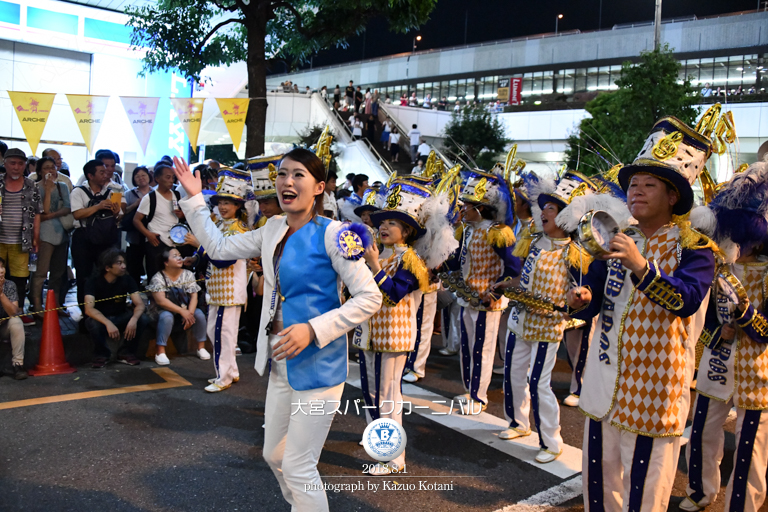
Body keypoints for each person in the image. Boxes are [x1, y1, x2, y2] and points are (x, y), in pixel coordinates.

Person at [173, 147, 382, 512]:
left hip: (319, 366)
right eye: (283, 173)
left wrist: (313, 330)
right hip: (281, 363)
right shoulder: (271, 228)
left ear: (318, 187)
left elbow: (369, 297)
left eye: (298, 174)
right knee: (274, 454)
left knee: (300, 466)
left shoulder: (335, 234)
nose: (287, 181)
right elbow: (219, 246)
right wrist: (194, 198)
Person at [567, 115, 717, 511]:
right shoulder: (619, 236)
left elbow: (686, 299)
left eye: (650, 184)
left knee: (646, 492)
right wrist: (581, 298)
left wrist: (641, 266)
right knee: (598, 484)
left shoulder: (696, 248)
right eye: (633, 183)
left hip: (656, 388)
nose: (637, 191)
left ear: (673, 197)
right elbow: (596, 294)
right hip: (604, 379)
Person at [495, 171, 603, 464]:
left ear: (566, 217)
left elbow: (582, 291)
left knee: (538, 382)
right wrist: (509, 285)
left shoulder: (575, 253)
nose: (543, 212)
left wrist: (580, 297)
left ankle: (551, 441)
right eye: (543, 207)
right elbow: (524, 279)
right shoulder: (532, 241)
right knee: (514, 375)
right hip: (520, 320)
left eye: (551, 209)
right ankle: (518, 423)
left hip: (547, 327)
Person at [681, 161, 768, 512]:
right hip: (718, 355)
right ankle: (700, 491)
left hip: (759, 367)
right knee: (701, 428)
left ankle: (742, 506)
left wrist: (745, 315)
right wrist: (721, 328)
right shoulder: (720, 264)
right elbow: (706, 311)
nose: (733, 242)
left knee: (750, 444)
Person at [357, 176, 456, 474]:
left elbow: (395, 292)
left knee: (388, 393)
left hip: (395, 337)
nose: (384, 227)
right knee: (369, 390)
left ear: (408, 231)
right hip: (369, 332)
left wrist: (373, 265)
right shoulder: (378, 253)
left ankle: (394, 458)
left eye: (393, 223)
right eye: (382, 221)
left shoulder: (410, 260)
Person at [444, 165, 520, 413]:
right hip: (467, 298)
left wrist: (496, 292)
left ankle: (479, 397)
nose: (462, 209)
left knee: (482, 350)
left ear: (481, 208)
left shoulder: (498, 233)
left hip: (488, 302)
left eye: (467, 205)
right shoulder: (467, 231)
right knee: (467, 348)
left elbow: (513, 268)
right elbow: (456, 261)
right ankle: (470, 390)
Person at [186, 169, 250, 392]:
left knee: (222, 334)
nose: (223, 207)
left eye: (228, 203)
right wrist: (196, 256)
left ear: (238, 206)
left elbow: (224, 260)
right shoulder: (221, 226)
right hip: (219, 290)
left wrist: (200, 248)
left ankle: (223, 377)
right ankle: (230, 371)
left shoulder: (238, 230)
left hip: (229, 292)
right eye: (220, 202)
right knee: (220, 332)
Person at [71, 159, 123, 310]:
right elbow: (77, 214)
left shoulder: (112, 192)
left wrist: (115, 212)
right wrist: (99, 206)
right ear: (90, 175)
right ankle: (86, 311)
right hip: (84, 238)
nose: (106, 174)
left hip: (106, 238)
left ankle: (105, 308)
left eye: (106, 171)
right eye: (101, 172)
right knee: (84, 276)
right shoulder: (78, 191)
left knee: (106, 274)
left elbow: (119, 216)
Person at [84, 248, 149, 368]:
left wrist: (133, 320)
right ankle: (101, 355)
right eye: (119, 263)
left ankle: (125, 353)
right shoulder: (92, 281)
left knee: (143, 319)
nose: (123, 266)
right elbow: (89, 309)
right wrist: (108, 323)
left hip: (120, 315)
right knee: (93, 323)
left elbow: (139, 304)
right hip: (101, 318)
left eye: (124, 262)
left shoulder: (127, 279)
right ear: (107, 268)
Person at [147, 247, 209, 365]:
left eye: (179, 255)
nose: (179, 258)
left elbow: (194, 296)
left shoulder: (188, 274)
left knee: (199, 314)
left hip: (185, 309)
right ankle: (160, 351)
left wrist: (189, 313)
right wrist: (182, 311)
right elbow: (161, 301)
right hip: (163, 311)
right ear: (166, 262)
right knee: (166, 316)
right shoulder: (158, 277)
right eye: (174, 256)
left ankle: (201, 347)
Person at [0, 148, 42, 321]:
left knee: (20, 278)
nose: (16, 167)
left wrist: (35, 238)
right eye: (12, 163)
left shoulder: (32, 186)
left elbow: (37, 213)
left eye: (20, 163)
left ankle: (17, 314)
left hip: (22, 241)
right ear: (5, 164)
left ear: (25, 165)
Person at [30, 157, 71, 320]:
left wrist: (49, 216)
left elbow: (67, 208)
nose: (51, 171)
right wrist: (47, 190)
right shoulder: (34, 187)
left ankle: (53, 305)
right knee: (40, 272)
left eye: (53, 168)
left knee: (58, 273)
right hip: (43, 234)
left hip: (61, 232)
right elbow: (42, 209)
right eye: (47, 168)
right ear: (39, 171)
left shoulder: (63, 187)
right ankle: (37, 304)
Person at [134, 162, 188, 281]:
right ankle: (155, 299)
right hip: (157, 241)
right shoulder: (150, 197)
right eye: (168, 177)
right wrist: (148, 234)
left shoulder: (177, 195)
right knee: (156, 277)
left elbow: (184, 216)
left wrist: (182, 214)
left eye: (173, 177)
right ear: (157, 178)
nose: (171, 181)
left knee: (174, 277)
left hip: (175, 241)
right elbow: (136, 220)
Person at [123, 166, 153, 287]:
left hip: (152, 233)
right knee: (134, 264)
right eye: (137, 176)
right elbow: (123, 212)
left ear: (149, 176)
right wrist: (136, 204)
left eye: (143, 175)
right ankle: (134, 290)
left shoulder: (155, 192)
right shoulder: (129, 194)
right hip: (134, 234)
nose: (141, 178)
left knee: (152, 263)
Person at [0, 256, 28, 379]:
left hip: (4, 326)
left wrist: (1, 294)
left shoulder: (9, 285)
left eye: (2, 267)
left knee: (16, 321)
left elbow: (13, 312)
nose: (1, 270)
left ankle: (18, 364)